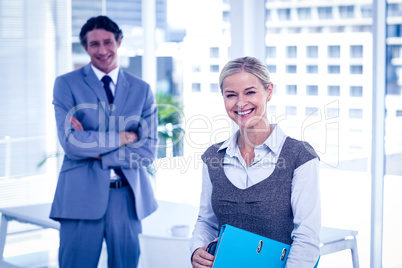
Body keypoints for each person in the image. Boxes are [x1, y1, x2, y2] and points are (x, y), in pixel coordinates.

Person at [190, 56, 321, 268]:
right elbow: (206, 221)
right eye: (231, 95)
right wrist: (197, 249)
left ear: (269, 91)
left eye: (250, 92)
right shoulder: (213, 157)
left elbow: (307, 236)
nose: (241, 103)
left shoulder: (300, 156)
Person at [50, 16, 158, 268]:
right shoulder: (66, 84)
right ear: (85, 47)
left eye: (108, 42)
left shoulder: (142, 90)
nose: (102, 50)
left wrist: (94, 146)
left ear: (119, 41)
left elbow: (148, 151)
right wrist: (125, 138)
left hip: (127, 197)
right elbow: (71, 144)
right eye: (94, 44)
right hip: (79, 195)